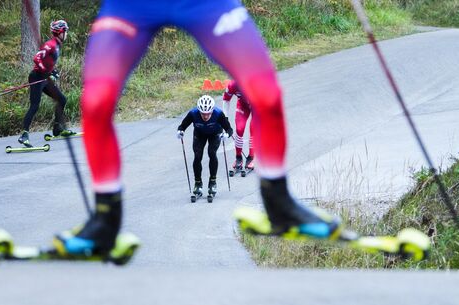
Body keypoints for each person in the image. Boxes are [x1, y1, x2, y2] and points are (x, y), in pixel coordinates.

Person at [55, 0, 342, 256]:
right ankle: (105, 220)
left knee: (267, 93)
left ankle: (280, 205)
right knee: (94, 102)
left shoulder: (213, 114)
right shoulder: (195, 114)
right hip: (131, 6)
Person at [18, 20, 73, 147]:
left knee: (62, 99)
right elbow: (37, 58)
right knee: (35, 105)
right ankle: (24, 135)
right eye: (66, 31)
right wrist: (47, 72)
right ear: (60, 32)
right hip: (37, 77)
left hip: (44, 78)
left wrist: (53, 71)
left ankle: (57, 128)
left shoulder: (58, 45)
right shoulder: (51, 44)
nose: (67, 34)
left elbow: (47, 62)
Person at [177, 95, 233, 196]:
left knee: (212, 153)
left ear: (212, 110)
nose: (206, 116)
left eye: (208, 113)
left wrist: (226, 135)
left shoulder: (218, 114)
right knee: (197, 156)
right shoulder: (193, 113)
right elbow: (183, 126)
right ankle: (198, 183)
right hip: (199, 134)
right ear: (199, 111)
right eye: (203, 114)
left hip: (215, 133)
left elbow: (229, 129)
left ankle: (212, 182)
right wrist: (180, 131)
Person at [222, 79, 254, 172]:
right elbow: (226, 100)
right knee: (239, 130)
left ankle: (251, 158)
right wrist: (225, 117)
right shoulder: (232, 85)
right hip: (243, 105)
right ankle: (238, 158)